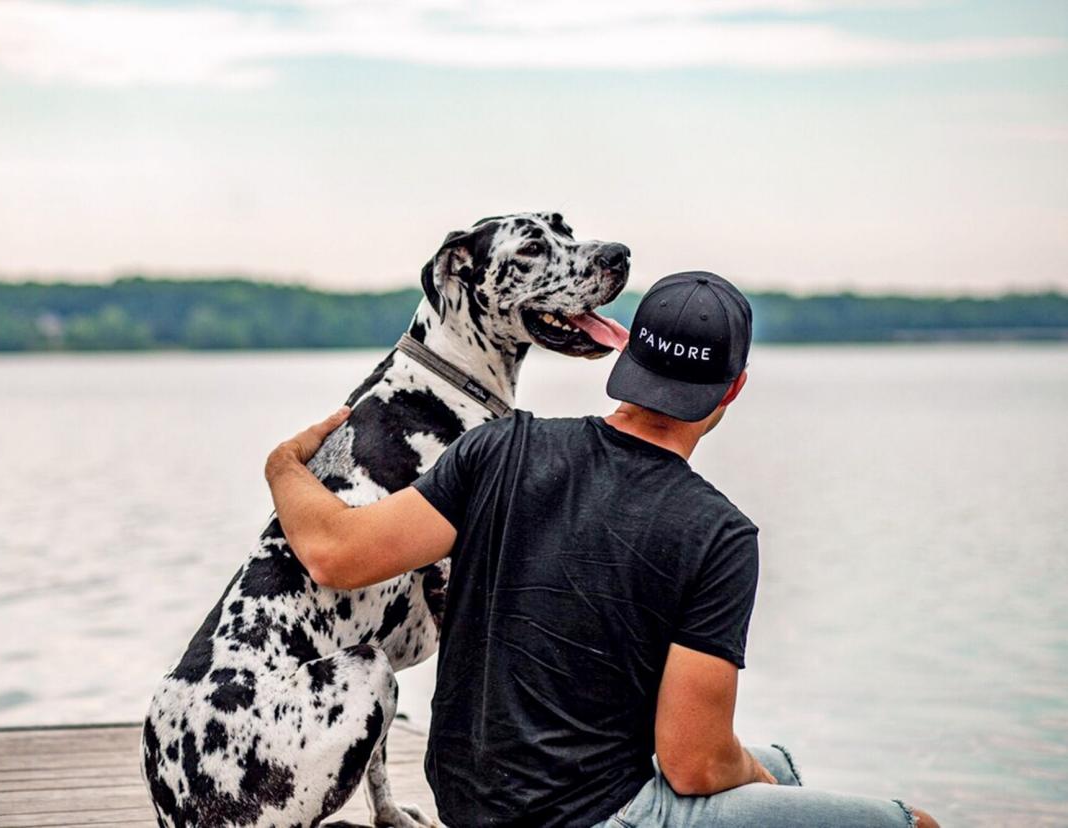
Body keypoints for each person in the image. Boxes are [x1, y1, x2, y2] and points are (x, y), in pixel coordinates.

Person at [264, 272, 939, 828]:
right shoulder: (717, 534)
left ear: (627, 357)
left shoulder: (499, 448)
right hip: (592, 817)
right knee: (908, 823)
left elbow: (334, 551)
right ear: (734, 387)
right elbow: (692, 764)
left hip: (469, 804)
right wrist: (753, 776)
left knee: (784, 770)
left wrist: (283, 467)